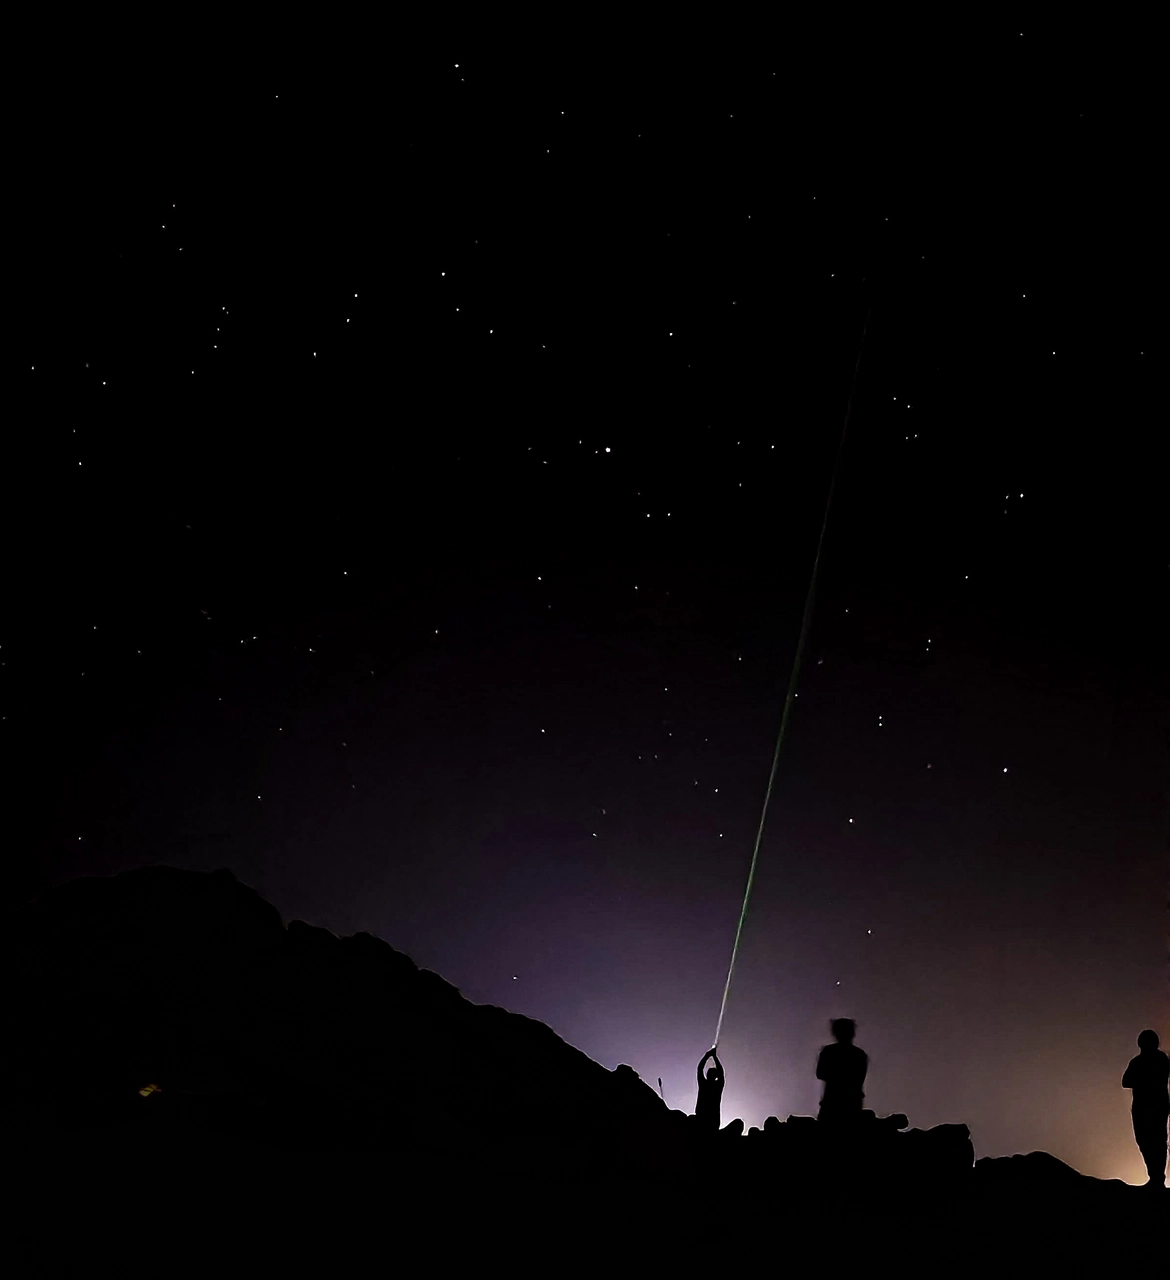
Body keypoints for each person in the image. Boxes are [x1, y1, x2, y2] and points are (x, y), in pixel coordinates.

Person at [1122, 1029, 1169, 1188]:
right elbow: (1125, 1081)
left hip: (1156, 1107)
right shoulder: (1137, 1062)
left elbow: (1162, 1076)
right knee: (1145, 1141)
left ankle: (1157, 1179)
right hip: (1143, 1108)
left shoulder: (1161, 1059)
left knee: (1158, 1142)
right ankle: (1155, 1176)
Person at [816, 1018, 868, 1123]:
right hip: (848, 1103)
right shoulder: (859, 1054)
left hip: (834, 1102)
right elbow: (859, 1079)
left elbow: (821, 1073)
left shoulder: (829, 1052)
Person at [695, 1048, 724, 1132]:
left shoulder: (704, 1084)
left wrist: (708, 1055)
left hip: (704, 1118)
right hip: (711, 1118)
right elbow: (721, 1073)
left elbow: (700, 1068)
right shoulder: (717, 1086)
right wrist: (714, 1057)